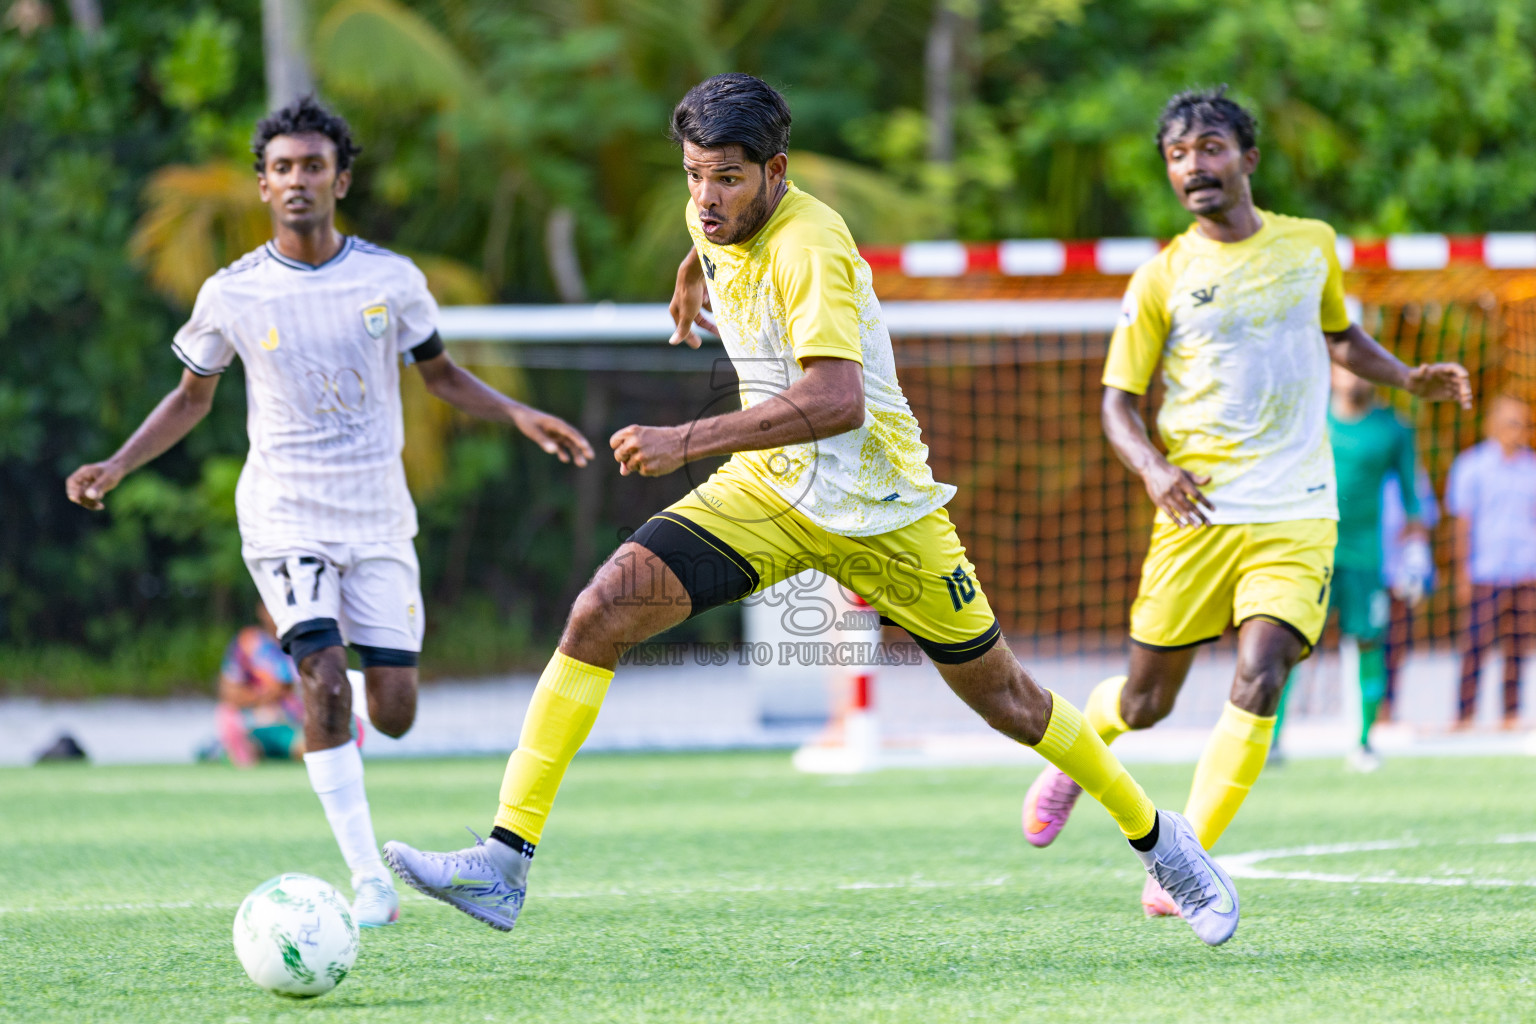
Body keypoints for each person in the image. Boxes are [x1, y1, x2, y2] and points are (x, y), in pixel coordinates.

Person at [384, 73, 1243, 948]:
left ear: (777, 171)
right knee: (600, 612)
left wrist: (688, 440)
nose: (706, 197)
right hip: (769, 492)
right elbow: (709, 243)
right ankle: (504, 859)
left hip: (884, 511)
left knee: (1011, 703)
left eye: (727, 177)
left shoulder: (812, 246)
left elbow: (838, 398)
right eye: (693, 175)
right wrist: (691, 275)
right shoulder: (711, 212)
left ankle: (1162, 841)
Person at [65, 96, 593, 927]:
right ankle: (367, 877)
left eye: (313, 166)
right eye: (282, 169)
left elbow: (444, 376)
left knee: (394, 712)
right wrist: (119, 463)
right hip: (284, 517)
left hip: (378, 518)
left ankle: (336, 687)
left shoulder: (391, 279)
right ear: (263, 186)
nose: (298, 181)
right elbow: (189, 399)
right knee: (320, 684)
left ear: (340, 179)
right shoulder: (231, 292)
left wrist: (520, 414)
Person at [1019, 86, 1470, 918]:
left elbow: (1341, 337)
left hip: (1296, 508)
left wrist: (1407, 377)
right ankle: (1084, 743)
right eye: (1179, 155)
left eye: (1212, 149)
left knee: (1263, 672)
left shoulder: (1311, 246)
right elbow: (1117, 402)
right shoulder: (1161, 276)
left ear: (1247, 160)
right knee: (1146, 703)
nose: (1196, 167)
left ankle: (1180, 863)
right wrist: (1155, 472)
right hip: (1194, 512)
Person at [1270, 364, 1425, 773]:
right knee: (1290, 644)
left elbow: (1413, 499)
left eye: (1360, 367)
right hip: (1311, 555)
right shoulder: (1308, 420)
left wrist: (1416, 553)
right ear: (1331, 373)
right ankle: (1272, 740)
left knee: (1369, 642)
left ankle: (1364, 742)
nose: (1353, 375)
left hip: (1365, 559)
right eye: (1345, 367)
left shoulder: (1394, 428)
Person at [1447, 395, 1536, 729]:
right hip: (1485, 571)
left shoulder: (1532, 468)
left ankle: (1511, 712)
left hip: (1525, 571)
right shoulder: (1472, 465)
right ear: (1494, 425)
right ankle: (1464, 714)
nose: (1521, 430)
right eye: (1514, 422)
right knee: (1476, 644)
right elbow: (1462, 523)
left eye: (1525, 423)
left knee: (1518, 646)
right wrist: (1462, 572)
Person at [209, 602, 306, 767]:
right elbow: (229, 691)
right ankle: (236, 748)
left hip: (294, 724)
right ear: (261, 609)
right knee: (232, 721)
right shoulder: (248, 642)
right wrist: (266, 695)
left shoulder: (305, 643)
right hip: (255, 722)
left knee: (308, 747)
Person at [1380, 465, 1438, 723]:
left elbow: (1423, 522)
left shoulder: (1414, 474)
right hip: (1360, 569)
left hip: (1398, 573)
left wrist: (1416, 568)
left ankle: (1387, 708)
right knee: (1362, 639)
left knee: (1395, 642)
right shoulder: (1355, 463)